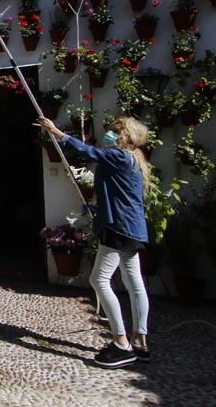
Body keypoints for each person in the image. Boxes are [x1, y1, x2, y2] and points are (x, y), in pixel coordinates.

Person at [36, 115, 152, 369]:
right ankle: (140, 341)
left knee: (99, 279)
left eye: (114, 131)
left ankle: (121, 343)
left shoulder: (120, 156)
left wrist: (55, 131)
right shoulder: (133, 159)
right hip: (131, 228)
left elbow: (87, 151)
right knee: (134, 282)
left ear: (125, 136)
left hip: (118, 228)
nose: (109, 134)